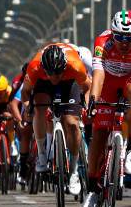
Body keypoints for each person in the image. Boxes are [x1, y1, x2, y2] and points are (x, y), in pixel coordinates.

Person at [82, 10, 131, 207]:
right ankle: (93, 188)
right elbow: (98, 75)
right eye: (120, 37)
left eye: (129, 38)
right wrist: (93, 100)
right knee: (99, 134)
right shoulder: (102, 42)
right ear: (113, 34)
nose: (124, 42)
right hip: (108, 83)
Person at [21, 43, 90, 196]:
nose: (54, 77)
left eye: (57, 73)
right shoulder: (34, 67)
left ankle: (73, 173)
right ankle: (42, 154)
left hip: (70, 82)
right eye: (51, 73)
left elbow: (87, 87)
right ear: (44, 68)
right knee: (39, 107)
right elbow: (25, 93)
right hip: (43, 84)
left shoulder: (75, 65)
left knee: (71, 122)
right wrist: (27, 107)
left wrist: (84, 105)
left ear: (64, 67)